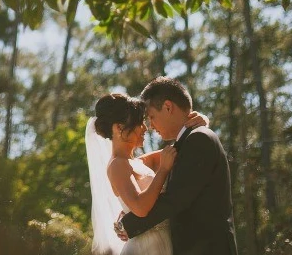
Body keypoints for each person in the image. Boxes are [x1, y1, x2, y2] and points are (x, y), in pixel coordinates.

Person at [117, 77, 238, 255]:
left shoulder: (198, 139)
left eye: (151, 117)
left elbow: (176, 199)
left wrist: (129, 224)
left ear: (168, 107)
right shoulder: (186, 143)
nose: (150, 126)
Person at [87, 93, 205, 254]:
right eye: (139, 123)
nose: (145, 127)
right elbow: (141, 208)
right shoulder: (116, 165)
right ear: (119, 127)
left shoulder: (139, 162)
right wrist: (163, 170)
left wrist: (202, 122)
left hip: (162, 244)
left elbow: (179, 149)